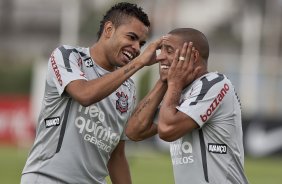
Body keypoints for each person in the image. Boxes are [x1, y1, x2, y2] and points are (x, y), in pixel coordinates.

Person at [21, 2, 162, 184]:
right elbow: (84, 95)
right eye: (131, 37)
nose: (136, 48)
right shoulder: (67, 55)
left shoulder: (128, 88)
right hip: (48, 179)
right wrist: (140, 63)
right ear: (109, 29)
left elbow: (117, 155)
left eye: (141, 44)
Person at [126, 28, 249, 183]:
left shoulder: (215, 83)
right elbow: (133, 131)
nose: (160, 57)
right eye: (160, 50)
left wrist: (174, 82)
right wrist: (165, 81)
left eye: (169, 51)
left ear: (193, 56)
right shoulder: (177, 91)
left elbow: (166, 130)